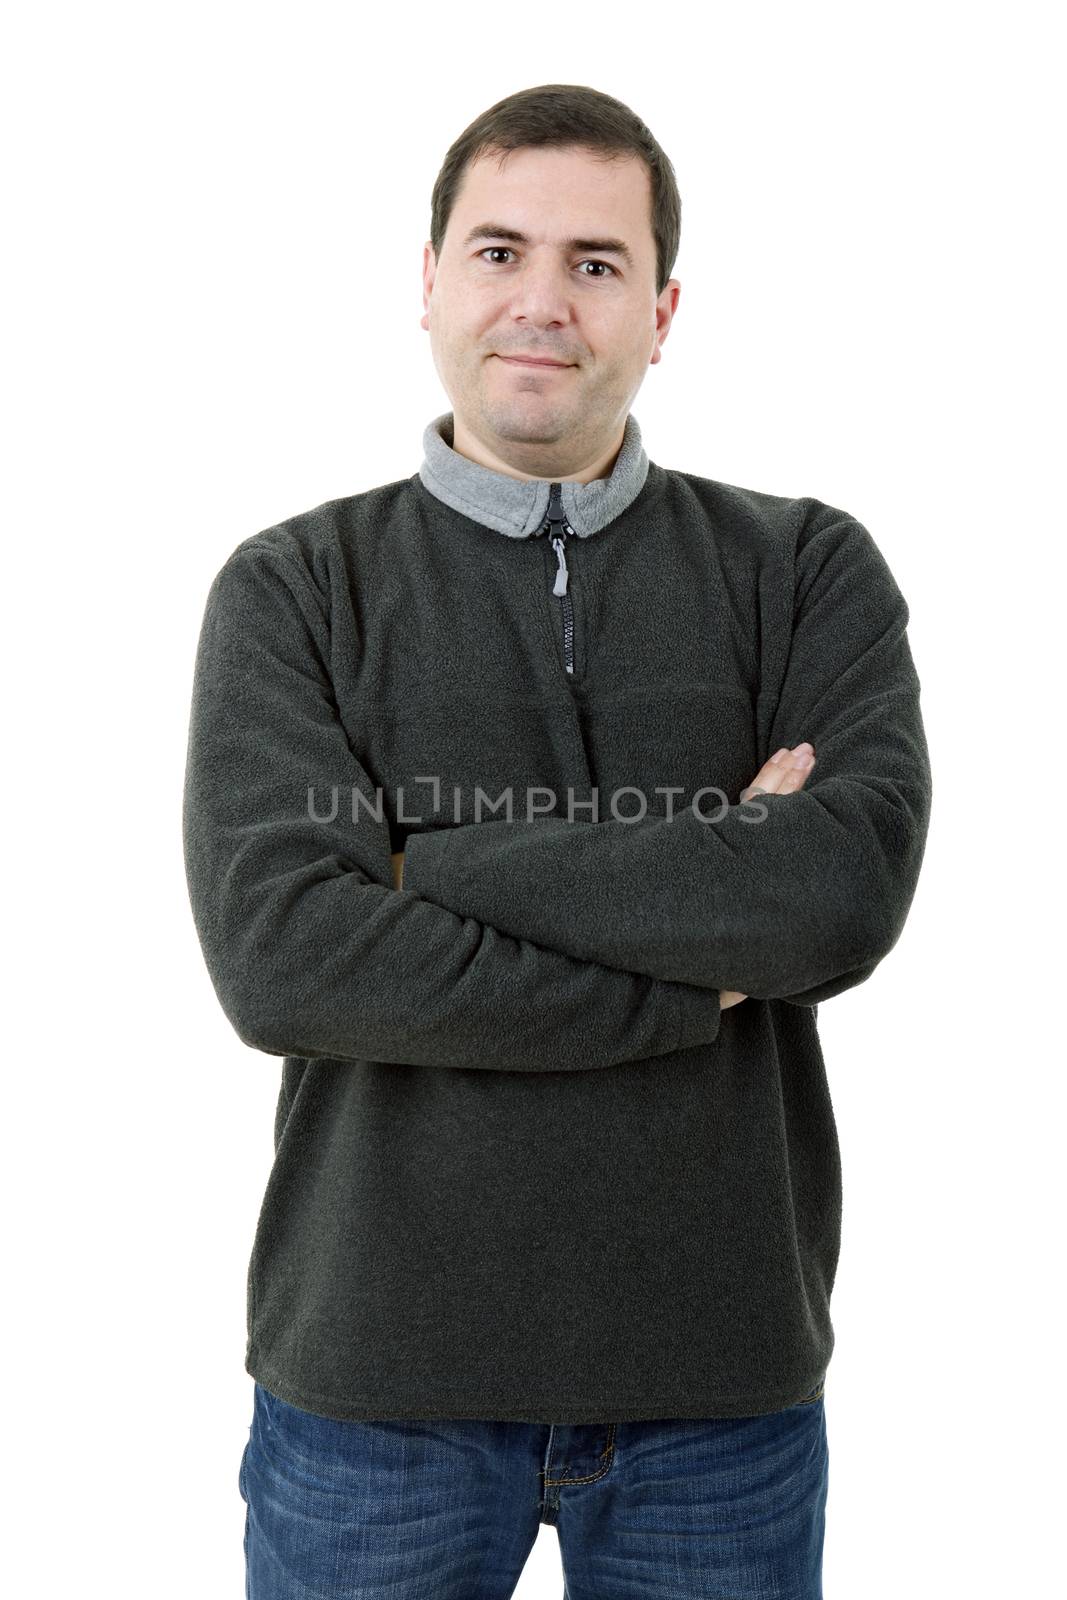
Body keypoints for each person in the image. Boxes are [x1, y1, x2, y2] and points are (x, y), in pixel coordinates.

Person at [183, 81, 932, 1599]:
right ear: (428, 283)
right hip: (374, 1380)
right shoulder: (294, 587)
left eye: (595, 263)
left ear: (661, 310)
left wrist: (420, 856)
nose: (542, 301)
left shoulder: (803, 569)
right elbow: (283, 959)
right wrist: (688, 956)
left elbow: (834, 897)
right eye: (499, 251)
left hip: (715, 1390)